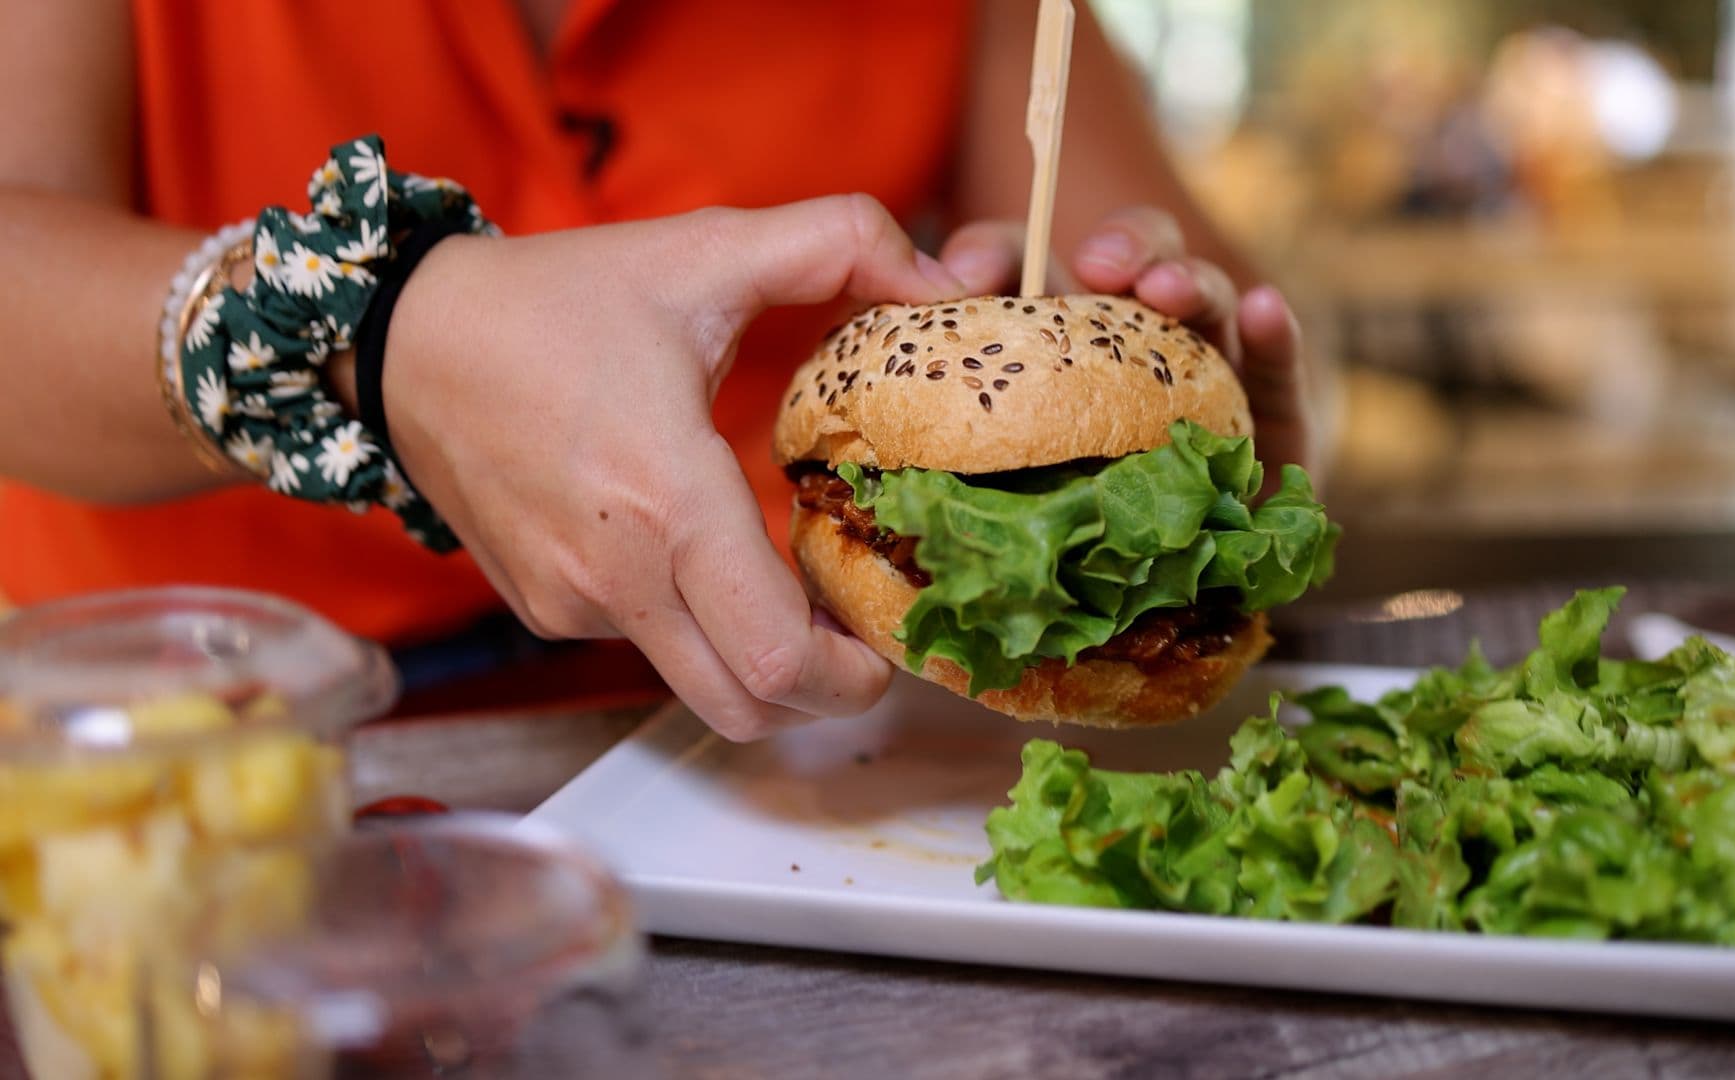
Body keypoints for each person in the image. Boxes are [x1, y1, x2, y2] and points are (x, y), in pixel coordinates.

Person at [0, 0, 1311, 740]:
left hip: (775, 729)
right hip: (202, 740)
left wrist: (1189, 431)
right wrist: (371, 329)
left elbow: (1188, 307)